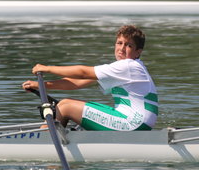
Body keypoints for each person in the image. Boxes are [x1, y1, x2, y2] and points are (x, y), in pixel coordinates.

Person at [22, 25, 159, 131]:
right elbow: (76, 83)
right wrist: (40, 85)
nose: (122, 48)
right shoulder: (124, 68)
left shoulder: (128, 66)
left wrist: (47, 68)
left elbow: (82, 72)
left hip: (133, 123)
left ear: (138, 52)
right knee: (65, 106)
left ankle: (41, 141)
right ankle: (50, 135)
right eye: (119, 43)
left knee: (66, 106)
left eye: (128, 45)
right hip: (138, 123)